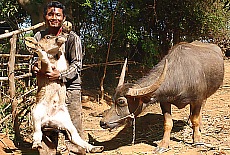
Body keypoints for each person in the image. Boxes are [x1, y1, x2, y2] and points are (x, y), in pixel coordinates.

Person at [32, 1, 84, 154]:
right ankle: (48, 150)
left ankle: (78, 150)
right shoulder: (39, 36)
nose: (54, 18)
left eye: (58, 15)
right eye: (50, 14)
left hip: (69, 87)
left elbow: (77, 64)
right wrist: (36, 67)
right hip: (47, 86)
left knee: (73, 124)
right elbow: (33, 60)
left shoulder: (73, 38)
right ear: (45, 17)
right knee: (46, 125)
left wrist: (60, 75)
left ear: (63, 17)